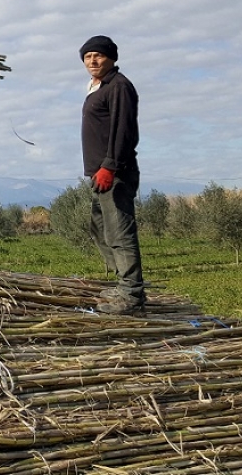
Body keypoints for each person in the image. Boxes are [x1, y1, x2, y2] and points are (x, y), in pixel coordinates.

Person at [79, 35, 145, 315]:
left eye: (99, 55)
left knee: (120, 231)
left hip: (115, 172)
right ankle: (123, 283)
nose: (93, 61)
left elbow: (123, 129)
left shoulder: (119, 86)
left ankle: (131, 294)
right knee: (100, 227)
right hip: (100, 173)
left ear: (112, 58)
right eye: (87, 56)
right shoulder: (97, 86)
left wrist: (110, 165)